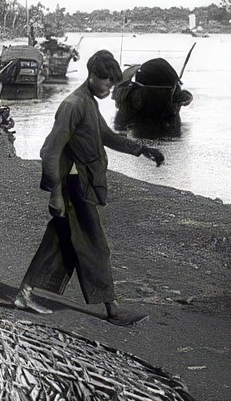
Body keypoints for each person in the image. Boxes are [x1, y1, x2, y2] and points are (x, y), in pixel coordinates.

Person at [14, 50, 166, 326]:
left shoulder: (88, 102)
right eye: (107, 81)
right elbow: (50, 151)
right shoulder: (74, 105)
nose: (110, 87)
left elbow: (106, 135)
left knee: (59, 242)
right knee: (96, 245)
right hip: (75, 186)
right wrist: (56, 193)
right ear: (93, 75)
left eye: (113, 83)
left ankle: (24, 293)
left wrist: (141, 148)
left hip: (81, 183)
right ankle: (112, 308)